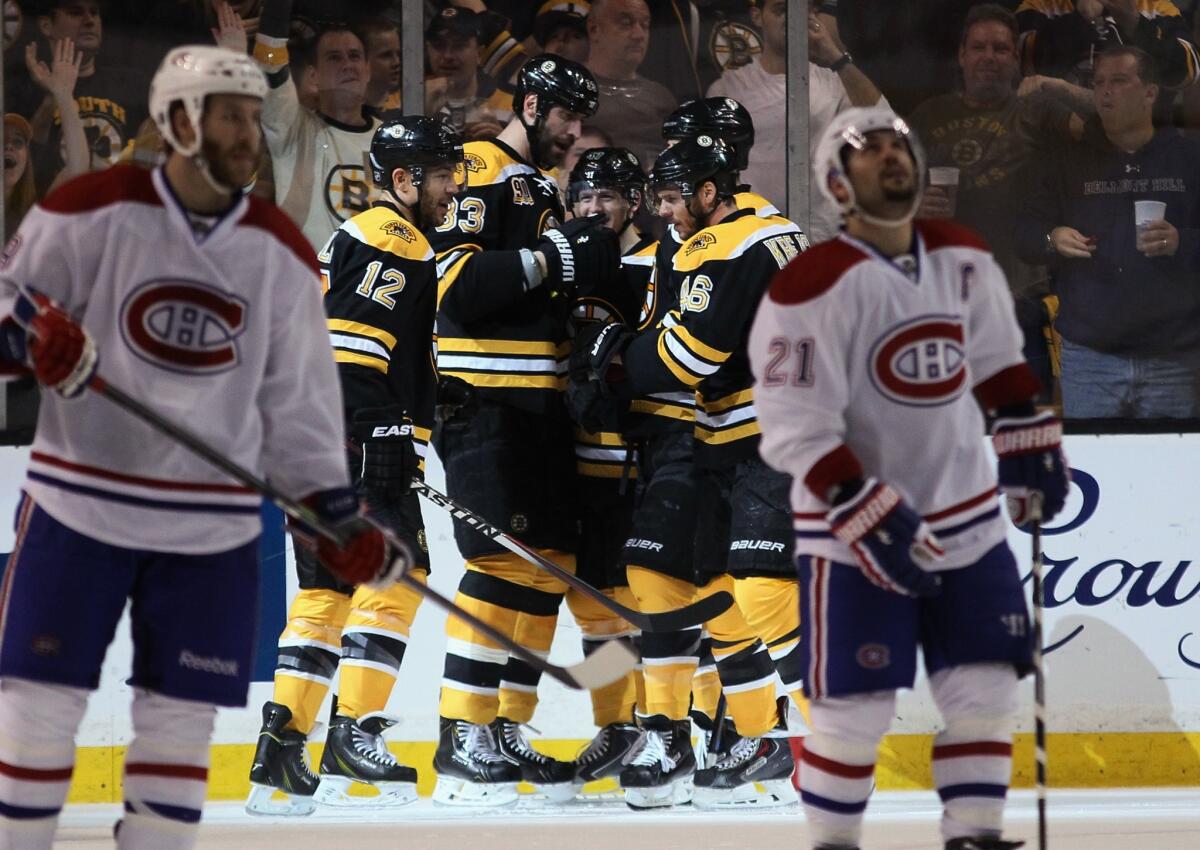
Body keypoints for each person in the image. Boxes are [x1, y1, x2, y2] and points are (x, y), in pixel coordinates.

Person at [0, 45, 404, 850]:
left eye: (254, 116)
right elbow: (11, 309)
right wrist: (30, 334)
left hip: (208, 528)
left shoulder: (282, 251)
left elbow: (300, 406)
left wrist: (334, 511)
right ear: (179, 122)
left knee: (179, 731)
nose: (248, 133)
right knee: (34, 714)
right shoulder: (89, 207)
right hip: (81, 505)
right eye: (230, 115)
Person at [748, 105, 1069, 850]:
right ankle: (833, 844)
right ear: (836, 179)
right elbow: (794, 422)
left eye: (900, 146)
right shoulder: (810, 284)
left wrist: (1026, 435)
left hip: (966, 517)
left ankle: (974, 835)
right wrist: (857, 504)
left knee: (986, 691)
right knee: (853, 712)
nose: (892, 158)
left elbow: (996, 363)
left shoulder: (961, 254)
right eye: (871, 151)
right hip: (848, 532)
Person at [570, 135, 810, 810]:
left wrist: (613, 363)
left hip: (727, 436)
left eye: (667, 198)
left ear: (709, 191)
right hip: (666, 448)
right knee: (669, 588)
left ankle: (698, 727)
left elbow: (689, 354)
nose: (661, 212)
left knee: (736, 588)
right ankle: (646, 727)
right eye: (584, 196)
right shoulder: (753, 234)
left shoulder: (710, 247)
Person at [247, 117, 464, 815]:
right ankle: (352, 736)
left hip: (308, 433)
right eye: (439, 174)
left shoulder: (363, 234)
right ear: (402, 181)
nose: (452, 187)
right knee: (400, 581)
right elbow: (351, 346)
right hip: (349, 433)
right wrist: (386, 431)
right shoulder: (395, 238)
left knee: (325, 597)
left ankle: (278, 757)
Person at [429, 53, 621, 806]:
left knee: (547, 563)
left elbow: (538, 283)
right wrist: (553, 254)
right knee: (505, 563)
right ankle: (458, 734)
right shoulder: (479, 164)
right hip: (485, 404)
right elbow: (457, 285)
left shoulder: (539, 185)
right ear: (533, 105)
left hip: (536, 412)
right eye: (567, 116)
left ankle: (506, 726)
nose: (575, 134)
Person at [1015, 45, 1200, 418]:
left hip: (1173, 359)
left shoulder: (1187, 159)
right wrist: (1052, 238)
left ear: (1150, 93)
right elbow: (1024, 234)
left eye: (1118, 81)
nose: (1105, 91)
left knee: (1169, 473)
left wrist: (1182, 241)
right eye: (1098, 83)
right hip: (1090, 358)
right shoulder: (1068, 159)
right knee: (1093, 469)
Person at [561, 146, 654, 790]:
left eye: (609, 197)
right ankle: (617, 723)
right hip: (581, 466)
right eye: (585, 198)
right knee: (594, 605)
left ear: (635, 202)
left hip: (644, 464)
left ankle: (682, 725)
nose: (595, 209)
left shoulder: (658, 264)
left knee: (660, 601)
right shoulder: (567, 269)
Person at [707, 0, 888, 234]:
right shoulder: (728, 88)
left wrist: (835, 56)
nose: (791, 19)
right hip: (756, 236)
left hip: (822, 234)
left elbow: (884, 122)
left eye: (802, 11)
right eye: (781, 10)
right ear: (757, 16)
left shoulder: (832, 81)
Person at [251, 1, 380, 249]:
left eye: (355, 56)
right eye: (334, 58)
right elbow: (270, 66)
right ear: (313, 76)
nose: (347, 64)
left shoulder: (389, 140)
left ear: (367, 70)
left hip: (372, 280)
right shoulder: (292, 128)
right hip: (308, 279)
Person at [14, 0, 147, 193]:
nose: (89, 21)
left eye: (94, 12)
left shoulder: (131, 83)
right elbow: (25, 163)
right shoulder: (27, 86)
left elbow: (155, 149)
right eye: (75, 13)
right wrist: (52, 97)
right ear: (46, 25)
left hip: (117, 210)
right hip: (58, 210)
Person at [1016, 0, 1200, 92]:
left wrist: (1134, 23)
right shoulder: (1040, 4)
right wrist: (1079, 18)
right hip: (1057, 133)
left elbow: (1188, 73)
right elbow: (1021, 62)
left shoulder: (1156, 6)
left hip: (1138, 140)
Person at [585, 0, 678, 167]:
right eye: (626, 23)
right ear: (594, 29)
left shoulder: (660, 97)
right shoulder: (573, 90)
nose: (639, 35)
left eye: (645, 25)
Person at [424, 7, 510, 140]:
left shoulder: (509, 105)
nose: (448, 56)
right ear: (428, 49)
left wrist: (503, 143)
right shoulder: (406, 100)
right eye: (439, 45)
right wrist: (420, 117)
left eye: (459, 46)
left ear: (479, 53)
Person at [360, 15, 402, 116]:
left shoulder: (409, 102)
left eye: (398, 54)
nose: (396, 62)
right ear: (362, 59)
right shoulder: (348, 112)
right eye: (386, 55)